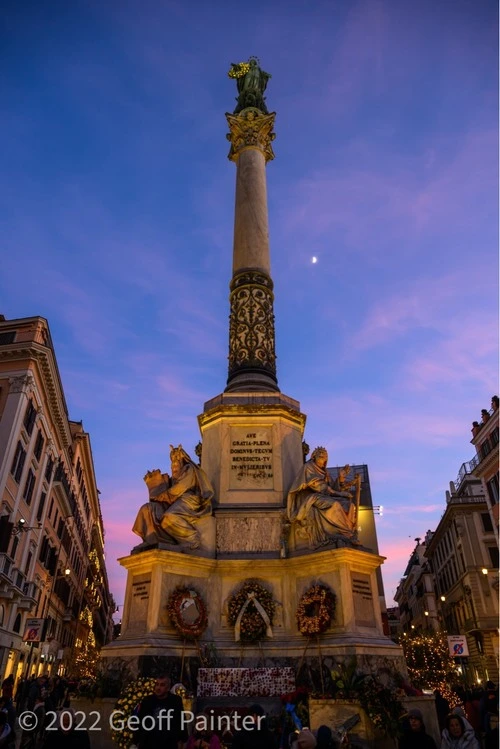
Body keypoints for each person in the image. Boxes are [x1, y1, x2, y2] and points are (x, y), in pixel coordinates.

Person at [133, 445, 214, 550]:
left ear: (182, 458)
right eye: (172, 460)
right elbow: (170, 490)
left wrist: (163, 495)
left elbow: (180, 488)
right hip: (174, 501)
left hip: (190, 500)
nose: (174, 462)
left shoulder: (189, 469)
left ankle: (191, 540)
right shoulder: (174, 476)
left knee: (169, 517)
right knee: (147, 509)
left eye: (177, 459)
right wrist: (155, 483)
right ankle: (151, 540)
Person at [287, 447, 357, 549]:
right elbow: (318, 486)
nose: (323, 459)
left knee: (349, 505)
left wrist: (341, 479)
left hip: (323, 496)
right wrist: (339, 493)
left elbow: (332, 487)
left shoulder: (325, 472)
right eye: (321, 457)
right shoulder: (308, 467)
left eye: (325, 457)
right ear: (314, 457)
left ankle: (345, 533)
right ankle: (345, 533)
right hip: (311, 497)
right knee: (335, 505)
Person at [135, 674, 186, 749]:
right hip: (149, 742)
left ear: (168, 688)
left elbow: (181, 720)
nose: (158, 688)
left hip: (168, 742)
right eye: (157, 684)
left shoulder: (175, 701)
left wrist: (182, 740)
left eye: (162, 685)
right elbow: (139, 721)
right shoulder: (147, 701)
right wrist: (136, 741)